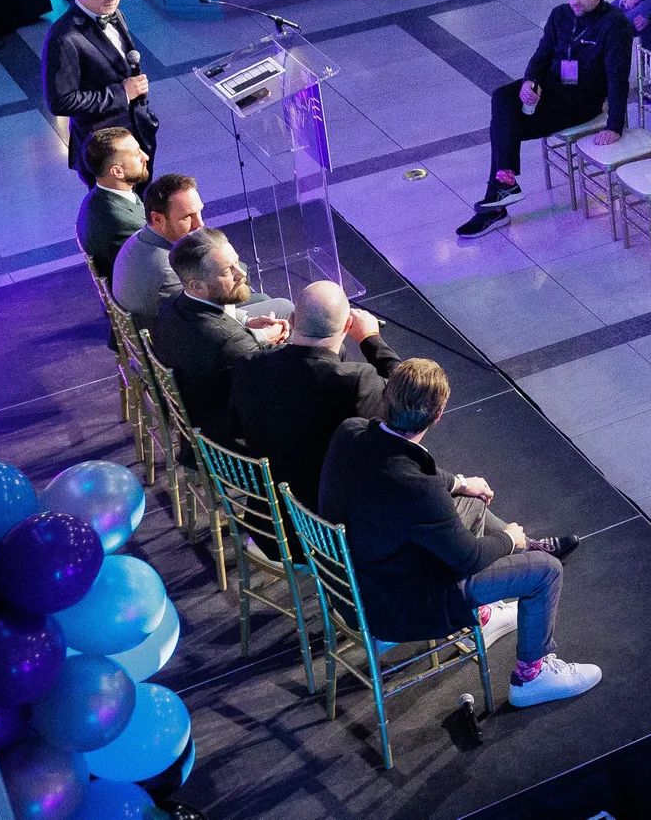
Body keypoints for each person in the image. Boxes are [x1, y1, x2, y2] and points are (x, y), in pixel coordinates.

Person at [319, 361, 598, 706]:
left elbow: (407, 466)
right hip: (399, 605)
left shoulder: (350, 432)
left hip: (352, 584)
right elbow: (469, 556)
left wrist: (462, 484)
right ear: (438, 415)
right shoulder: (418, 490)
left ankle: (483, 614)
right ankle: (532, 677)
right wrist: (511, 538)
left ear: (387, 396)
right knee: (544, 570)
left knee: (473, 504)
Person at [460, 0, 630, 236]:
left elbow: (618, 78)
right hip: (550, 87)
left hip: (581, 101)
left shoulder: (614, 24)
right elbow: (541, 54)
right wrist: (530, 81)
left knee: (503, 128)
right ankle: (504, 182)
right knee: (502, 99)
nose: (576, 0)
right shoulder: (560, 15)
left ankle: (497, 205)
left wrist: (615, 125)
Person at [229, 279, 400, 505]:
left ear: (291, 319)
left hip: (267, 511)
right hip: (328, 522)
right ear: (348, 326)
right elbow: (409, 392)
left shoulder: (249, 365)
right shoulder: (356, 381)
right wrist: (371, 339)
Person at [151, 227, 288, 444]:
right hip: (228, 434)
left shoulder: (171, 303)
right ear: (197, 286)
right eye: (226, 271)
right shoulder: (230, 341)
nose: (241, 273)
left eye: (237, 262)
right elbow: (269, 375)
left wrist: (247, 322)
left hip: (198, 405)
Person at [44, 0, 157, 181]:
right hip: (104, 153)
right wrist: (122, 93)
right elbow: (60, 101)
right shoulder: (63, 38)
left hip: (137, 137)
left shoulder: (116, 14)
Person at [112, 172, 202, 330]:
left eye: (199, 211)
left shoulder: (136, 239)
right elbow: (204, 319)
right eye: (187, 217)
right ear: (158, 219)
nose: (199, 223)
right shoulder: (168, 272)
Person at [75, 128, 148, 283]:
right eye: (137, 154)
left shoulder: (95, 198)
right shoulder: (124, 224)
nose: (145, 157)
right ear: (117, 172)